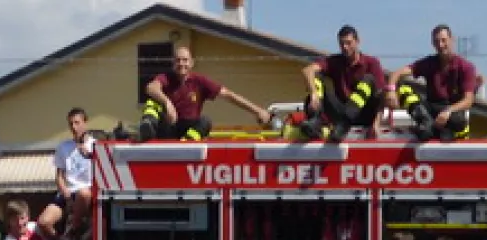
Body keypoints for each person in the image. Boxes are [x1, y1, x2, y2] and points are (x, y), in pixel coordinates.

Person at [135, 46, 271, 142]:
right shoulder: (165, 77)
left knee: (205, 121)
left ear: (192, 63)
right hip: (168, 128)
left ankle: (186, 144)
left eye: (185, 60)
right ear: (173, 64)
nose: (181, 63)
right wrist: (167, 103)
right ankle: (147, 129)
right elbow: (151, 88)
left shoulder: (200, 81)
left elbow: (229, 95)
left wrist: (257, 111)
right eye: (178, 60)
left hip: (189, 129)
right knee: (152, 102)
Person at [386, 24, 479, 141]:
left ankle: (434, 129)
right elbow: (397, 73)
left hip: (452, 110)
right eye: (436, 42)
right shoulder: (429, 63)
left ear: (452, 40)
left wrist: (448, 111)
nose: (440, 45)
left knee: (458, 120)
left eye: (444, 40)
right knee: (404, 89)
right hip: (430, 108)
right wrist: (390, 91)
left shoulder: (466, 67)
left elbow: (468, 100)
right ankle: (427, 125)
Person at [297, 25, 387, 142]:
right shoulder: (335, 61)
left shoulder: (372, 63)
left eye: (348, 43)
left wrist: (376, 124)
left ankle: (344, 124)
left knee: (368, 79)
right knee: (316, 78)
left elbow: (381, 97)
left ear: (357, 41)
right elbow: (308, 70)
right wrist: (314, 94)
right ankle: (315, 121)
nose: (345, 47)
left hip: (365, 114)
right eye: (341, 44)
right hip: (341, 114)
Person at [43, 108, 95, 240]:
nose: (74, 127)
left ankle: (75, 229)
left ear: (85, 123)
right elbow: (59, 175)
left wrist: (90, 154)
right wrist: (66, 195)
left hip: (87, 193)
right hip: (68, 192)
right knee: (44, 222)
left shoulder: (96, 145)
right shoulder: (63, 146)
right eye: (71, 124)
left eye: (77, 123)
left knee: (84, 193)